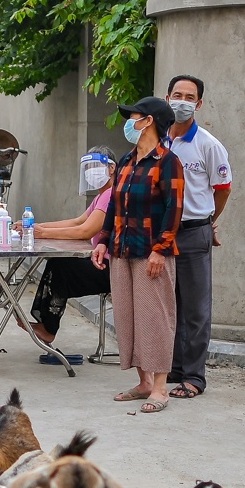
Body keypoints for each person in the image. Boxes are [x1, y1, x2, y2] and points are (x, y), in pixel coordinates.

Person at [94, 96, 184, 413]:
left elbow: (174, 210)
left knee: (155, 318)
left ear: (149, 121)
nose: (128, 121)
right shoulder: (127, 161)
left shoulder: (168, 162)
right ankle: (143, 381)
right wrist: (103, 240)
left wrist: (161, 249)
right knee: (128, 317)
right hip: (122, 249)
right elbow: (114, 204)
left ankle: (160, 389)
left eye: (134, 116)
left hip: (151, 252)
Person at [162, 74, 231, 400]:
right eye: (177, 94)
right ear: (167, 97)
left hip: (193, 234)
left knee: (195, 310)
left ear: (199, 104)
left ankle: (193, 377)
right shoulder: (158, 139)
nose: (182, 101)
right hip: (161, 235)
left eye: (189, 97)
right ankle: (173, 367)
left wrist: (208, 221)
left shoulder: (208, 145)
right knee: (167, 305)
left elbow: (223, 188)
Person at [18, 170, 118, 359]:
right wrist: (35, 226)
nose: (91, 172)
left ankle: (48, 328)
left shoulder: (110, 195)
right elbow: (77, 221)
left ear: (111, 168)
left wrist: (42, 233)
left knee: (62, 269)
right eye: (88, 168)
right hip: (98, 261)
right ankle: (46, 325)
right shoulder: (100, 197)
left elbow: (85, 231)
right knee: (58, 263)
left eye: (96, 166)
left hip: (108, 267)